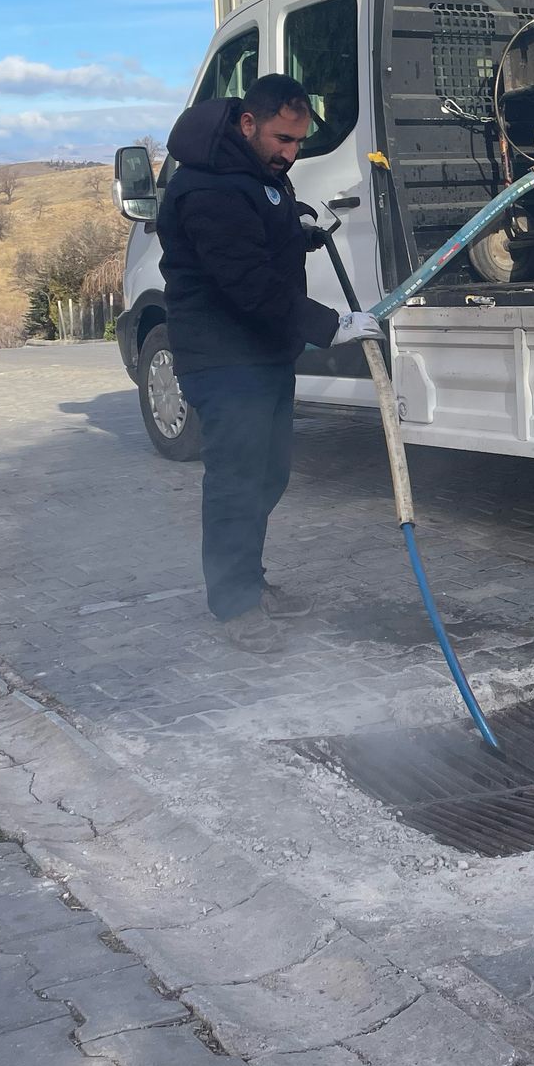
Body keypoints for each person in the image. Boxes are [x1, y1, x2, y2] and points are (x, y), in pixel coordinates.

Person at [156, 75, 379, 646]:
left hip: (262, 354)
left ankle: (247, 581)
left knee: (268, 474)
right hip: (223, 358)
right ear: (247, 123)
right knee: (236, 481)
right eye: (282, 138)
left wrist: (297, 236)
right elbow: (247, 284)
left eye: (299, 141)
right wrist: (332, 325)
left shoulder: (257, 176)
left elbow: (256, 239)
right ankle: (234, 607)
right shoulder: (207, 187)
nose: (290, 153)